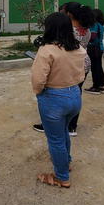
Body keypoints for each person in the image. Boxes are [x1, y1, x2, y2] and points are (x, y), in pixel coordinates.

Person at [32, 12, 86, 188]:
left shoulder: (46, 50)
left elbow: (39, 80)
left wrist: (39, 93)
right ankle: (66, 162)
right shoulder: (78, 47)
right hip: (75, 96)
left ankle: (61, 177)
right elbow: (82, 71)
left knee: (55, 139)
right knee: (63, 132)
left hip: (54, 98)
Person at [33, 2, 94, 136]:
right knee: (75, 92)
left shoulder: (68, 30)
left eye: (63, 11)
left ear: (69, 14)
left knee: (58, 90)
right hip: (83, 63)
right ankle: (71, 126)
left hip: (68, 64)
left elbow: (61, 48)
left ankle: (52, 123)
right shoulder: (86, 29)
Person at [84, 9, 104, 95]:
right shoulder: (100, 25)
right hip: (99, 48)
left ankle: (96, 87)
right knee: (99, 67)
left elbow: (92, 38)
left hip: (94, 48)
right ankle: (100, 85)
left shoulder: (94, 25)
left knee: (95, 68)